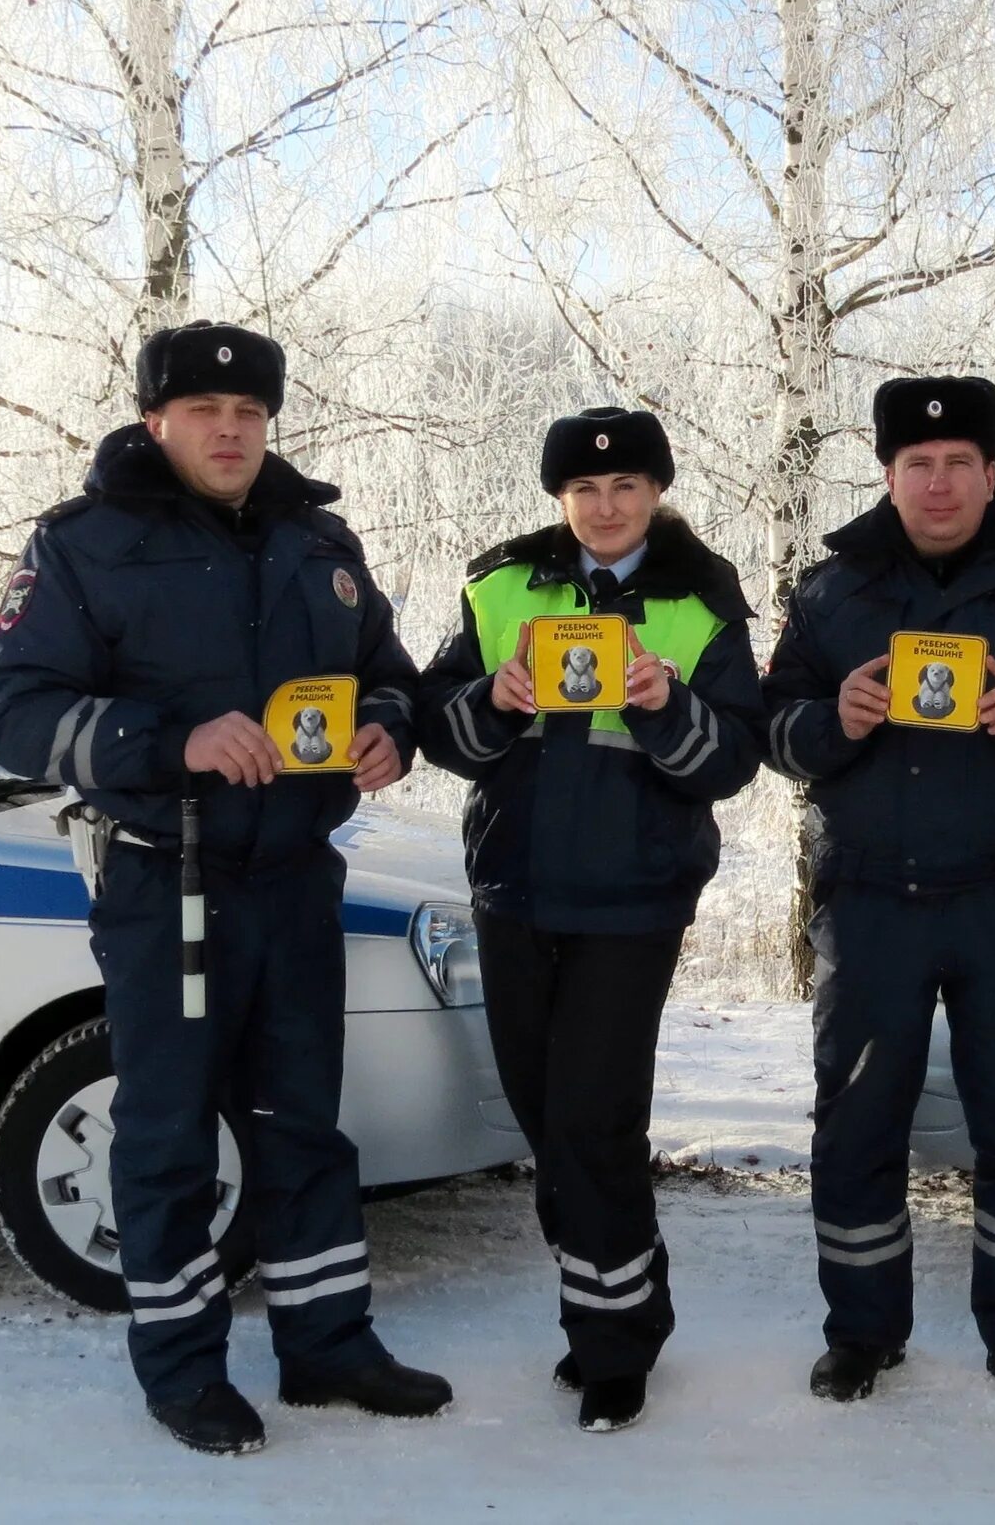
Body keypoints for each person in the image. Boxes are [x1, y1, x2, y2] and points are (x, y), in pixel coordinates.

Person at [0, 320, 451, 1456]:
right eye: (205, 413)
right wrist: (171, 739)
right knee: (171, 1134)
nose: (230, 431)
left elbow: (385, 677)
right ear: (158, 423)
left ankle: (328, 1347)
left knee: (304, 1125)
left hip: (294, 879)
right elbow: (13, 715)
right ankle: (185, 1370)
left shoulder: (317, 540)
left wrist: (389, 732)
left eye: (248, 414)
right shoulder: (84, 545)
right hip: (166, 885)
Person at [760, 375, 995, 1418]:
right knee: (856, 1126)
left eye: (960, 463)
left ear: (991, 471)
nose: (939, 484)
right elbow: (772, 728)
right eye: (918, 465)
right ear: (888, 474)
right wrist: (833, 716)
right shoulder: (832, 591)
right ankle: (862, 1336)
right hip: (872, 900)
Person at [415, 405, 766, 1434]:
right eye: (584, 490)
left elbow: (736, 761)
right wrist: (500, 697)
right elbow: (440, 724)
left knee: (592, 1123)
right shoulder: (498, 586)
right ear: (559, 499)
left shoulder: (701, 601)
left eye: (625, 487)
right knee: (546, 1121)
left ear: (656, 492)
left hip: (632, 901)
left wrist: (663, 703)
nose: (605, 506)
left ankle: (617, 1350)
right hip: (515, 890)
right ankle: (614, 1298)